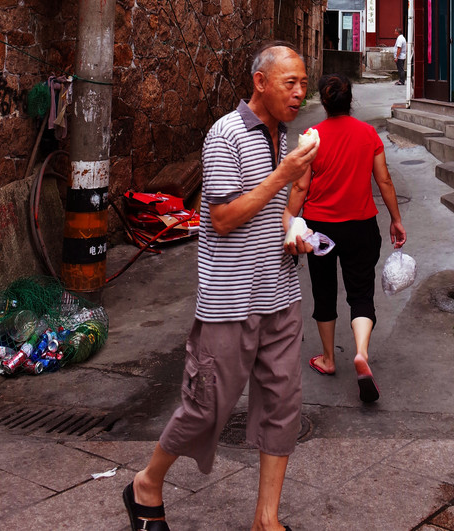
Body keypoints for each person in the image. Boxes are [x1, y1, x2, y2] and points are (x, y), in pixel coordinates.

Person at [123, 42, 318, 531]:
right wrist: (285, 175)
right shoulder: (225, 134)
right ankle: (146, 483)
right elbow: (225, 218)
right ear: (260, 82)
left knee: (282, 406)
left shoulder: (284, 135)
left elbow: (279, 212)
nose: (300, 93)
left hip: (279, 293)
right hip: (230, 301)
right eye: (289, 83)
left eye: (303, 83)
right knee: (207, 406)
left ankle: (266, 519)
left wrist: (295, 231)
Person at [287, 73, 407, 403]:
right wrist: (396, 220)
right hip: (361, 226)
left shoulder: (312, 137)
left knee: (324, 293)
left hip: (320, 228)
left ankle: (327, 359)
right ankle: (362, 355)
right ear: (349, 99)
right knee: (360, 293)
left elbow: (300, 186)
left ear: (323, 102)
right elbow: (383, 182)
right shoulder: (368, 134)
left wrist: (289, 222)